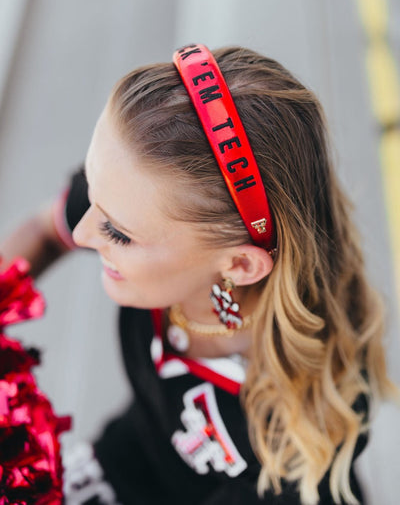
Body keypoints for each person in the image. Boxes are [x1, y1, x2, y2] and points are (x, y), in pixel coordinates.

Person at [0, 44, 396, 505]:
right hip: (129, 458)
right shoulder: (134, 198)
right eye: (91, 190)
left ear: (240, 265)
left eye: (118, 232)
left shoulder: (302, 437)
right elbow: (47, 231)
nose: (84, 231)